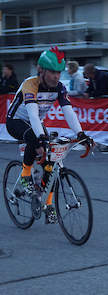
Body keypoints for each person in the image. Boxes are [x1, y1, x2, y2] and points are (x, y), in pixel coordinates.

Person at [6, 46, 94, 224]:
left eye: (59, 72)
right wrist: (40, 137)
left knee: (52, 162)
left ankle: (47, 203)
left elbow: (69, 112)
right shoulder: (30, 84)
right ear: (41, 70)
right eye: (52, 72)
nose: (56, 76)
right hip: (16, 121)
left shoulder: (59, 88)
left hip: (36, 122)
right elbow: (32, 113)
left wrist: (81, 134)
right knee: (34, 135)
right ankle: (25, 175)